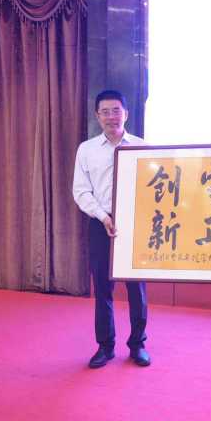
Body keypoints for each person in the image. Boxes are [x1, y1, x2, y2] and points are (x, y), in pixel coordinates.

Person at [73, 90, 150, 368]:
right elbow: (81, 191)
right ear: (97, 116)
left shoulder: (142, 147)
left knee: (137, 289)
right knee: (103, 289)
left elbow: (153, 188)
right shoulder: (87, 149)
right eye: (105, 112)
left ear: (126, 113)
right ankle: (105, 346)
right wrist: (103, 216)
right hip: (100, 223)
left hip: (133, 225)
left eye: (116, 110)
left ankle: (138, 344)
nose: (111, 116)